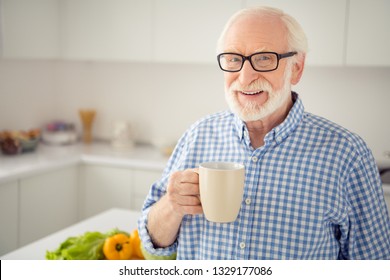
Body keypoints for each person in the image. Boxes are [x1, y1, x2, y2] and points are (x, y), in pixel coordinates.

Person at [138, 6, 390, 259]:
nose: (245, 77)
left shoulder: (347, 154)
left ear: (297, 68)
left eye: (264, 58)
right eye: (234, 59)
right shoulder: (198, 135)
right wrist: (171, 206)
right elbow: (153, 242)